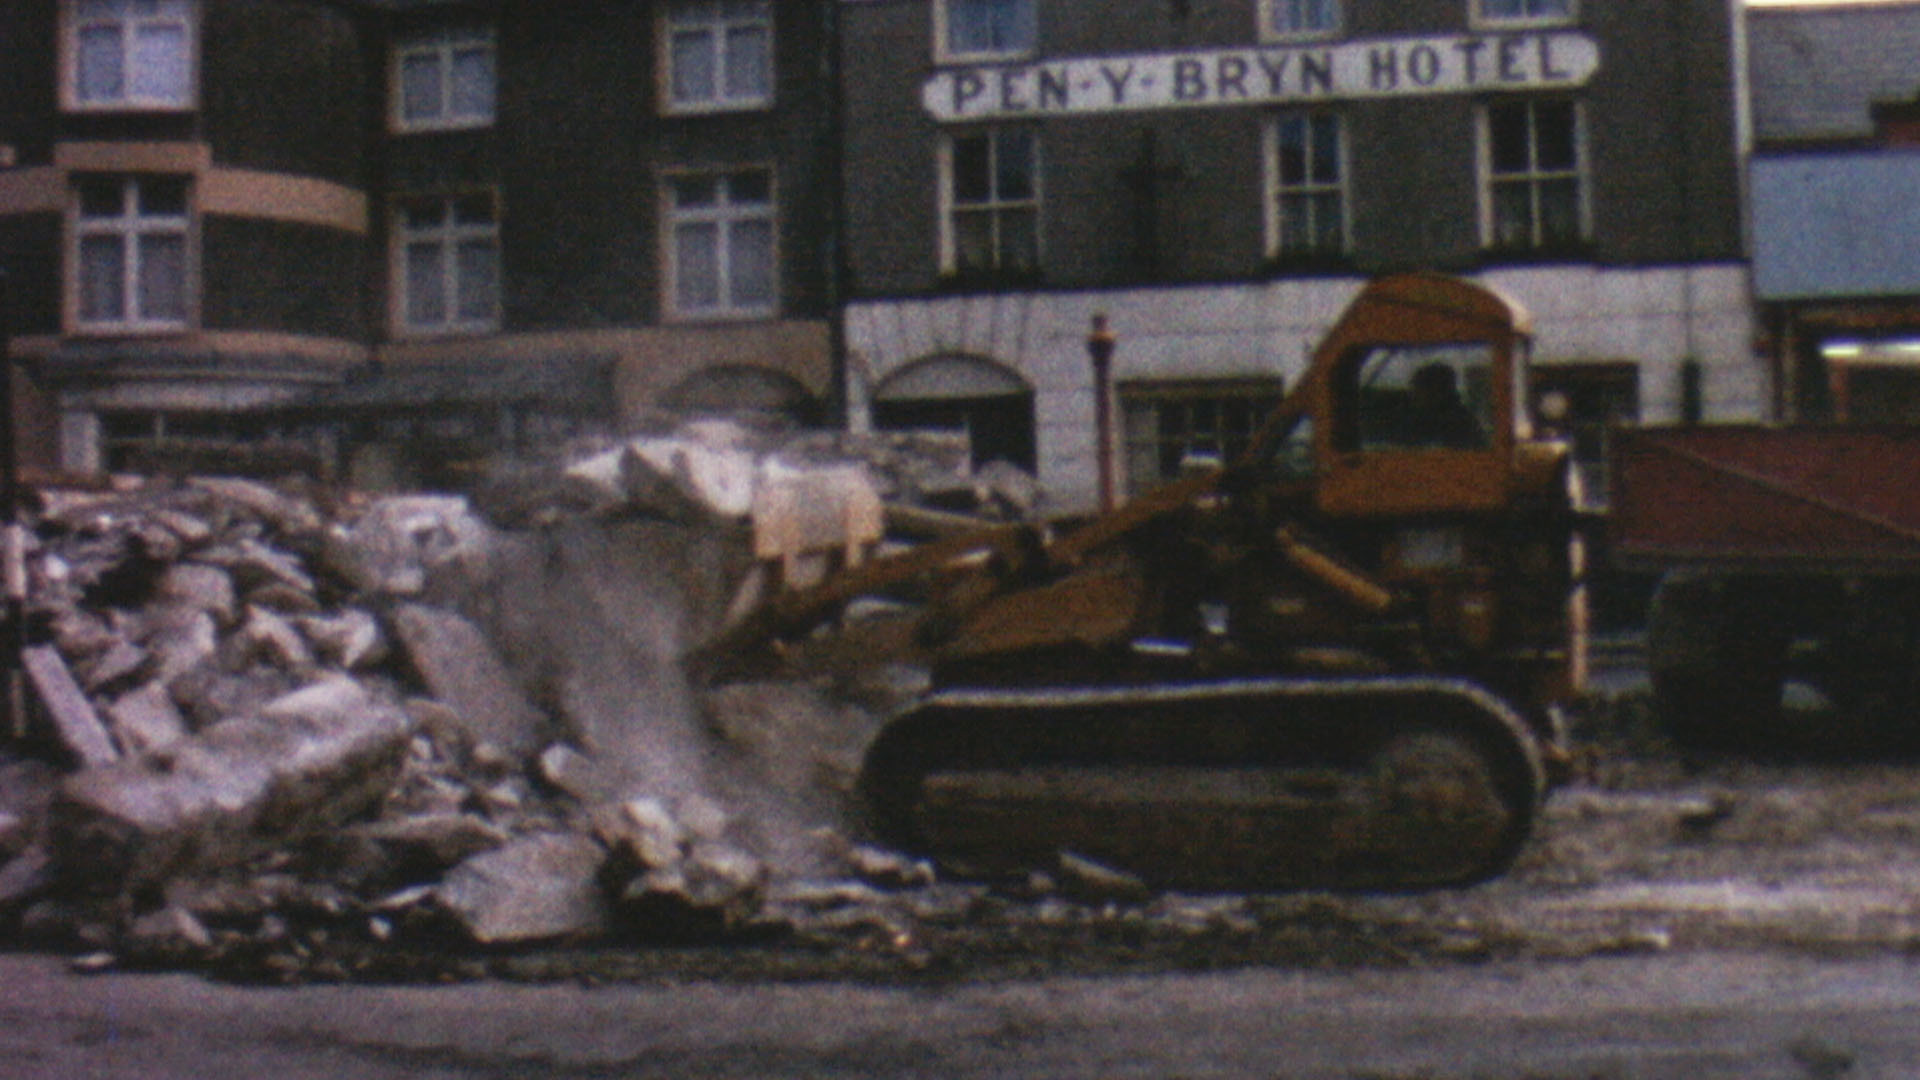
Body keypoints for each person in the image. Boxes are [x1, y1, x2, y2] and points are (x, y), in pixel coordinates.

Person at [1402, 362, 1485, 449]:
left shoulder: (1459, 424)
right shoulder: (1418, 420)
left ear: (1436, 392)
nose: (1413, 396)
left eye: (1419, 390)